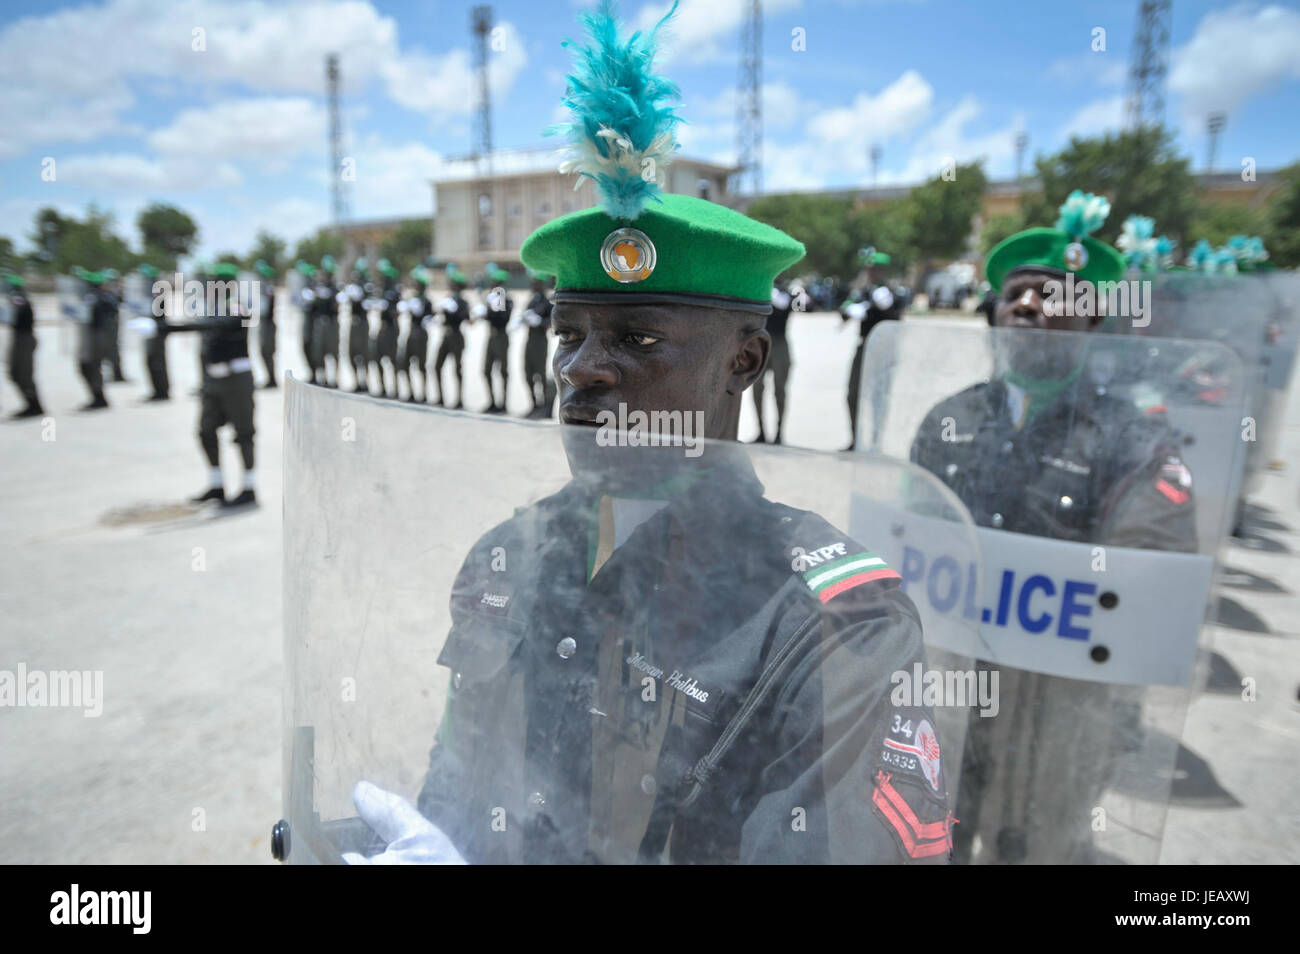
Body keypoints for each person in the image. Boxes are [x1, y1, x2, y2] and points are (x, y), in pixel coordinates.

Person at [349, 1, 951, 865]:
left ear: (745, 360)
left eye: (636, 339)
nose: (580, 368)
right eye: (569, 334)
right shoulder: (510, 555)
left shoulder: (833, 623)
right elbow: (462, 781)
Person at [909, 192, 1197, 864]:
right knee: (931, 837)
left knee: (1036, 848)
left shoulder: (1135, 440)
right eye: (1017, 293)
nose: (1031, 306)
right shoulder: (947, 418)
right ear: (995, 312)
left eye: (1056, 294)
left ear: (1094, 318)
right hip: (951, 686)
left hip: (1059, 711)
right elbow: (907, 543)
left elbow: (1149, 582)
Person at [134, 263, 258, 506]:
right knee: (205, 431)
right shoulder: (212, 309)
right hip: (213, 381)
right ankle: (216, 484)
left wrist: (165, 328)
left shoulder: (237, 307)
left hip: (236, 381)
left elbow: (216, 325)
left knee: (244, 434)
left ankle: (249, 487)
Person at [842, 280, 900, 450]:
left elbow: (893, 313)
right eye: (871, 270)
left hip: (884, 350)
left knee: (878, 397)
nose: (873, 274)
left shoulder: (894, 293)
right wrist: (850, 309)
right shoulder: (862, 293)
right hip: (863, 348)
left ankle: (876, 440)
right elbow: (845, 310)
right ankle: (856, 439)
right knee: (853, 394)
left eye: (877, 270)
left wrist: (878, 305)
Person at [749, 276, 795, 444]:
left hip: (779, 344)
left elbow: (784, 304)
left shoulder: (789, 290)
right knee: (757, 390)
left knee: (780, 391)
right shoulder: (760, 287)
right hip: (760, 344)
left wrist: (769, 289)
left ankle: (779, 433)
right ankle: (761, 432)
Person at [4, 272, 43, 418]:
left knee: (23, 374)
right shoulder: (16, 298)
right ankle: (31, 403)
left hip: (24, 340)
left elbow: (12, 315)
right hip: (19, 338)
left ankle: (34, 406)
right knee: (15, 373)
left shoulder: (18, 298)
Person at [516, 270, 554, 418]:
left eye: (535, 282)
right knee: (527, 373)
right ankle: (534, 404)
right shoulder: (532, 300)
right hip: (529, 339)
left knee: (540, 374)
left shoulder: (547, 301)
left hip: (540, 341)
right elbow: (526, 315)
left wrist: (540, 322)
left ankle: (544, 407)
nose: (532, 284)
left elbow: (552, 322)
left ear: (540, 284)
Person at [431, 270, 469, 409]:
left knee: (457, 369)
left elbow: (466, 317)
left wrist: (456, 310)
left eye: (453, 284)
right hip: (446, 335)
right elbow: (440, 313)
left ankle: (459, 400)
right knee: (436, 366)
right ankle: (440, 398)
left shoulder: (463, 301)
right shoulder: (448, 298)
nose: (451, 286)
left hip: (457, 336)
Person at [134, 264, 171, 402]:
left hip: (156, 331)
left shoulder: (157, 292)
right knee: (151, 361)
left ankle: (162, 391)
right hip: (150, 331)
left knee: (157, 362)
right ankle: (157, 390)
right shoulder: (148, 293)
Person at [77, 270, 113, 410]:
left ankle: (99, 397)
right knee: (87, 366)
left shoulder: (97, 298)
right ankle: (96, 395)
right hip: (90, 335)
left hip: (96, 335)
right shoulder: (90, 297)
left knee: (92, 366)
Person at [397, 267, 432, 403]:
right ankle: (411, 392)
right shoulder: (413, 299)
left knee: (421, 366)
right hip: (411, 333)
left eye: (417, 283)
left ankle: (422, 394)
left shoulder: (426, 301)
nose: (414, 285)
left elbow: (429, 315)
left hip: (421, 335)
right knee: (404, 364)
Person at [369, 258, 401, 399]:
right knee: (377, 358)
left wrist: (388, 307)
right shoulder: (381, 292)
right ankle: (382, 388)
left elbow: (397, 312)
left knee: (392, 360)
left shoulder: (394, 292)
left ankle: (394, 390)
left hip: (391, 330)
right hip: (382, 328)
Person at [481, 267, 511, 413]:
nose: (493, 284)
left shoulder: (507, 298)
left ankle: (503, 404)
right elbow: (488, 318)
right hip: (491, 336)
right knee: (486, 370)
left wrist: (495, 308)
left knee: (503, 371)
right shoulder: (492, 297)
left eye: (495, 281)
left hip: (501, 336)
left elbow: (504, 319)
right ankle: (492, 401)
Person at [311, 256, 341, 388]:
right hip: (320, 323)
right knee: (319, 352)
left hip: (332, 323)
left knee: (333, 352)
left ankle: (334, 379)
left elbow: (336, 306)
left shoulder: (336, 288)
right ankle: (322, 378)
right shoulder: (318, 287)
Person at [343, 259, 371, 393]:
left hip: (362, 324)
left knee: (363, 354)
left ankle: (364, 381)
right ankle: (356, 381)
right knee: (351, 353)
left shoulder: (366, 287)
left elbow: (362, 298)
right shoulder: (353, 287)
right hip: (353, 323)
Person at [254, 259, 278, 389]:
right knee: (263, 351)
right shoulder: (263, 287)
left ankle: (272, 379)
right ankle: (269, 377)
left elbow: (267, 306)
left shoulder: (268, 287)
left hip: (268, 324)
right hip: (263, 322)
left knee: (267, 351)